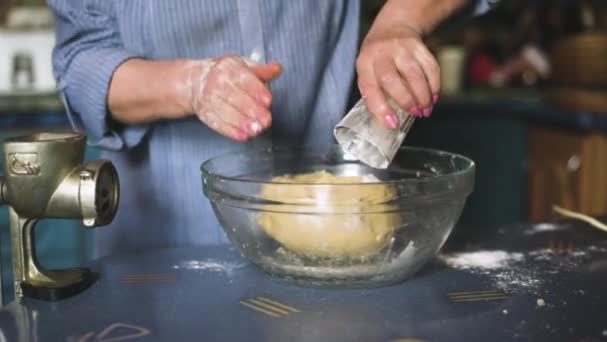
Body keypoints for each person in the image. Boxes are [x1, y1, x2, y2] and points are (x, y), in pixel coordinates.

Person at [47, 0, 496, 258]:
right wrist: (190, 85)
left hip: (335, 245)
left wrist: (400, 21)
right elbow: (80, 62)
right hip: (165, 251)